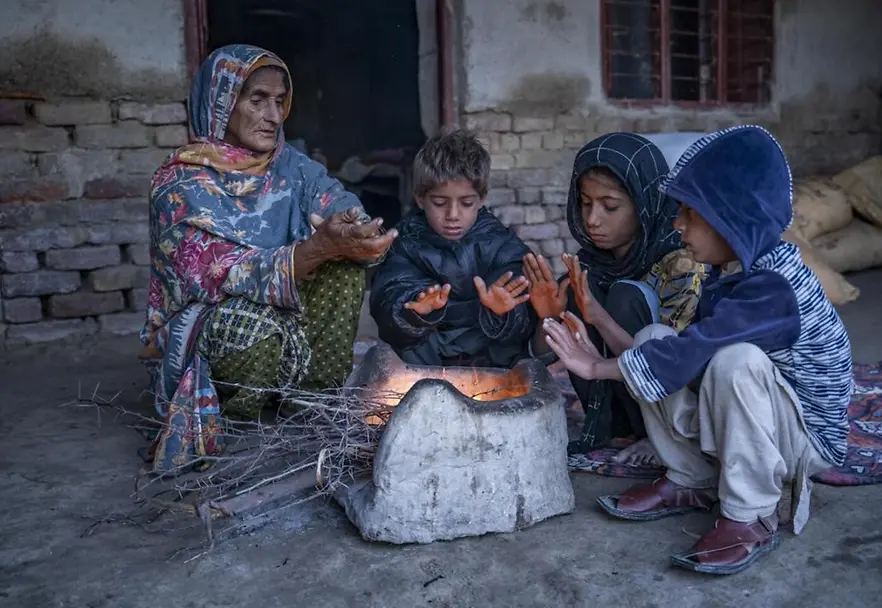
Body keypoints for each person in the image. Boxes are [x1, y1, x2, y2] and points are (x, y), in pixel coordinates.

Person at [542, 125, 853, 575]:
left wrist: (595, 367)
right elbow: (679, 357)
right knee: (655, 340)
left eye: (690, 212)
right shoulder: (731, 270)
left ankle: (751, 513)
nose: (677, 224)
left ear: (732, 219)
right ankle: (692, 477)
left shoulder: (774, 286)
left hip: (806, 440)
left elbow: (698, 357)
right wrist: (599, 320)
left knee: (735, 361)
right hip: (767, 423)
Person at [140, 45, 396, 475]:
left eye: (280, 102)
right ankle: (238, 413)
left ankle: (308, 400)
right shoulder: (178, 185)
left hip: (283, 310)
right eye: (257, 99)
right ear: (222, 103)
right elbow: (226, 275)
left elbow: (334, 198)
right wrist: (315, 248)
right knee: (255, 331)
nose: (273, 116)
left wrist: (355, 228)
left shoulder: (290, 166)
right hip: (212, 320)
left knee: (345, 267)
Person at [524, 132, 706, 458]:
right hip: (618, 402)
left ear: (644, 203)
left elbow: (675, 363)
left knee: (626, 296)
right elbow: (544, 357)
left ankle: (658, 433)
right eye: (584, 203)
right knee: (580, 289)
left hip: (673, 404)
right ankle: (612, 425)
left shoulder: (682, 262)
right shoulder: (591, 265)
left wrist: (601, 318)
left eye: (610, 206)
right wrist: (549, 316)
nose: (592, 220)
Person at [369, 130, 536, 368]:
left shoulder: (500, 242)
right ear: (420, 198)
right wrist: (414, 310)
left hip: (487, 358)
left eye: (466, 203)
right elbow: (388, 292)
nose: (453, 216)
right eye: (439, 203)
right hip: (431, 357)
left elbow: (521, 288)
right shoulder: (405, 243)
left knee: (511, 349)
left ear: (482, 198)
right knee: (406, 349)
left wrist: (503, 310)